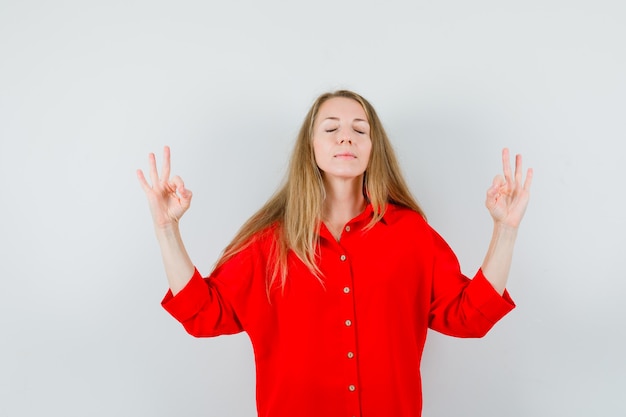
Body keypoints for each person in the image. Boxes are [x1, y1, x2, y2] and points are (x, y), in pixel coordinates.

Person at [137, 90, 533, 417]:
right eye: (332, 129)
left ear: (372, 148)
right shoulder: (269, 243)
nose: (346, 137)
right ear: (311, 147)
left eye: (360, 130)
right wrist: (166, 229)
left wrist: (505, 230)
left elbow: (470, 316)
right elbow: (203, 313)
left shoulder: (411, 234)